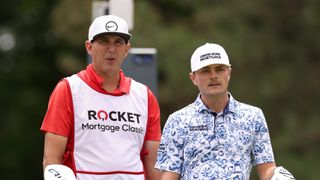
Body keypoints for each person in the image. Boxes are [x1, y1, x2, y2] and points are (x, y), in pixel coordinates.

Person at [40, 15, 161, 180]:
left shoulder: (144, 95)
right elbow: (52, 160)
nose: (111, 49)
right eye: (103, 41)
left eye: (118, 42)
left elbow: (153, 163)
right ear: (89, 47)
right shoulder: (68, 89)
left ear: (126, 49)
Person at [155, 43, 295, 179]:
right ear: (193, 78)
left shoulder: (253, 116)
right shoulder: (177, 120)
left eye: (220, 69)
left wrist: (278, 175)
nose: (213, 75)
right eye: (205, 70)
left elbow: (266, 170)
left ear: (229, 73)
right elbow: (169, 175)